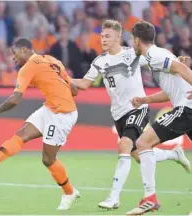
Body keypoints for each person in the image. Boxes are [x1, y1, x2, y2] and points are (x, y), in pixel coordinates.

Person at [73, 20, 191, 210]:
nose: (103, 39)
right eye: (102, 36)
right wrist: (62, 78)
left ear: (121, 38)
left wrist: (179, 62)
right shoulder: (100, 61)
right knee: (140, 155)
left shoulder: (138, 55)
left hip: (141, 110)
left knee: (130, 145)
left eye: (107, 36)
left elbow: (174, 65)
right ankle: (173, 154)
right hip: (119, 113)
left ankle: (117, 198)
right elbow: (84, 84)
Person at [0, 38, 80, 210]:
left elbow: (15, 100)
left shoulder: (28, 67)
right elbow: (73, 89)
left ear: (24, 50)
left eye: (14, 54)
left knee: (48, 159)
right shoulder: (51, 60)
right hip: (51, 107)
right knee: (22, 134)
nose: (13, 59)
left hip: (62, 114)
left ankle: (69, 192)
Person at [126, 21, 192, 215]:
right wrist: (145, 99)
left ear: (137, 40)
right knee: (143, 144)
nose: (132, 43)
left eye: (132, 40)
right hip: (186, 106)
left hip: (186, 109)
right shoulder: (156, 56)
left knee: (143, 143)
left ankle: (150, 198)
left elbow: (182, 69)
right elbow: (172, 89)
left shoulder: (155, 56)